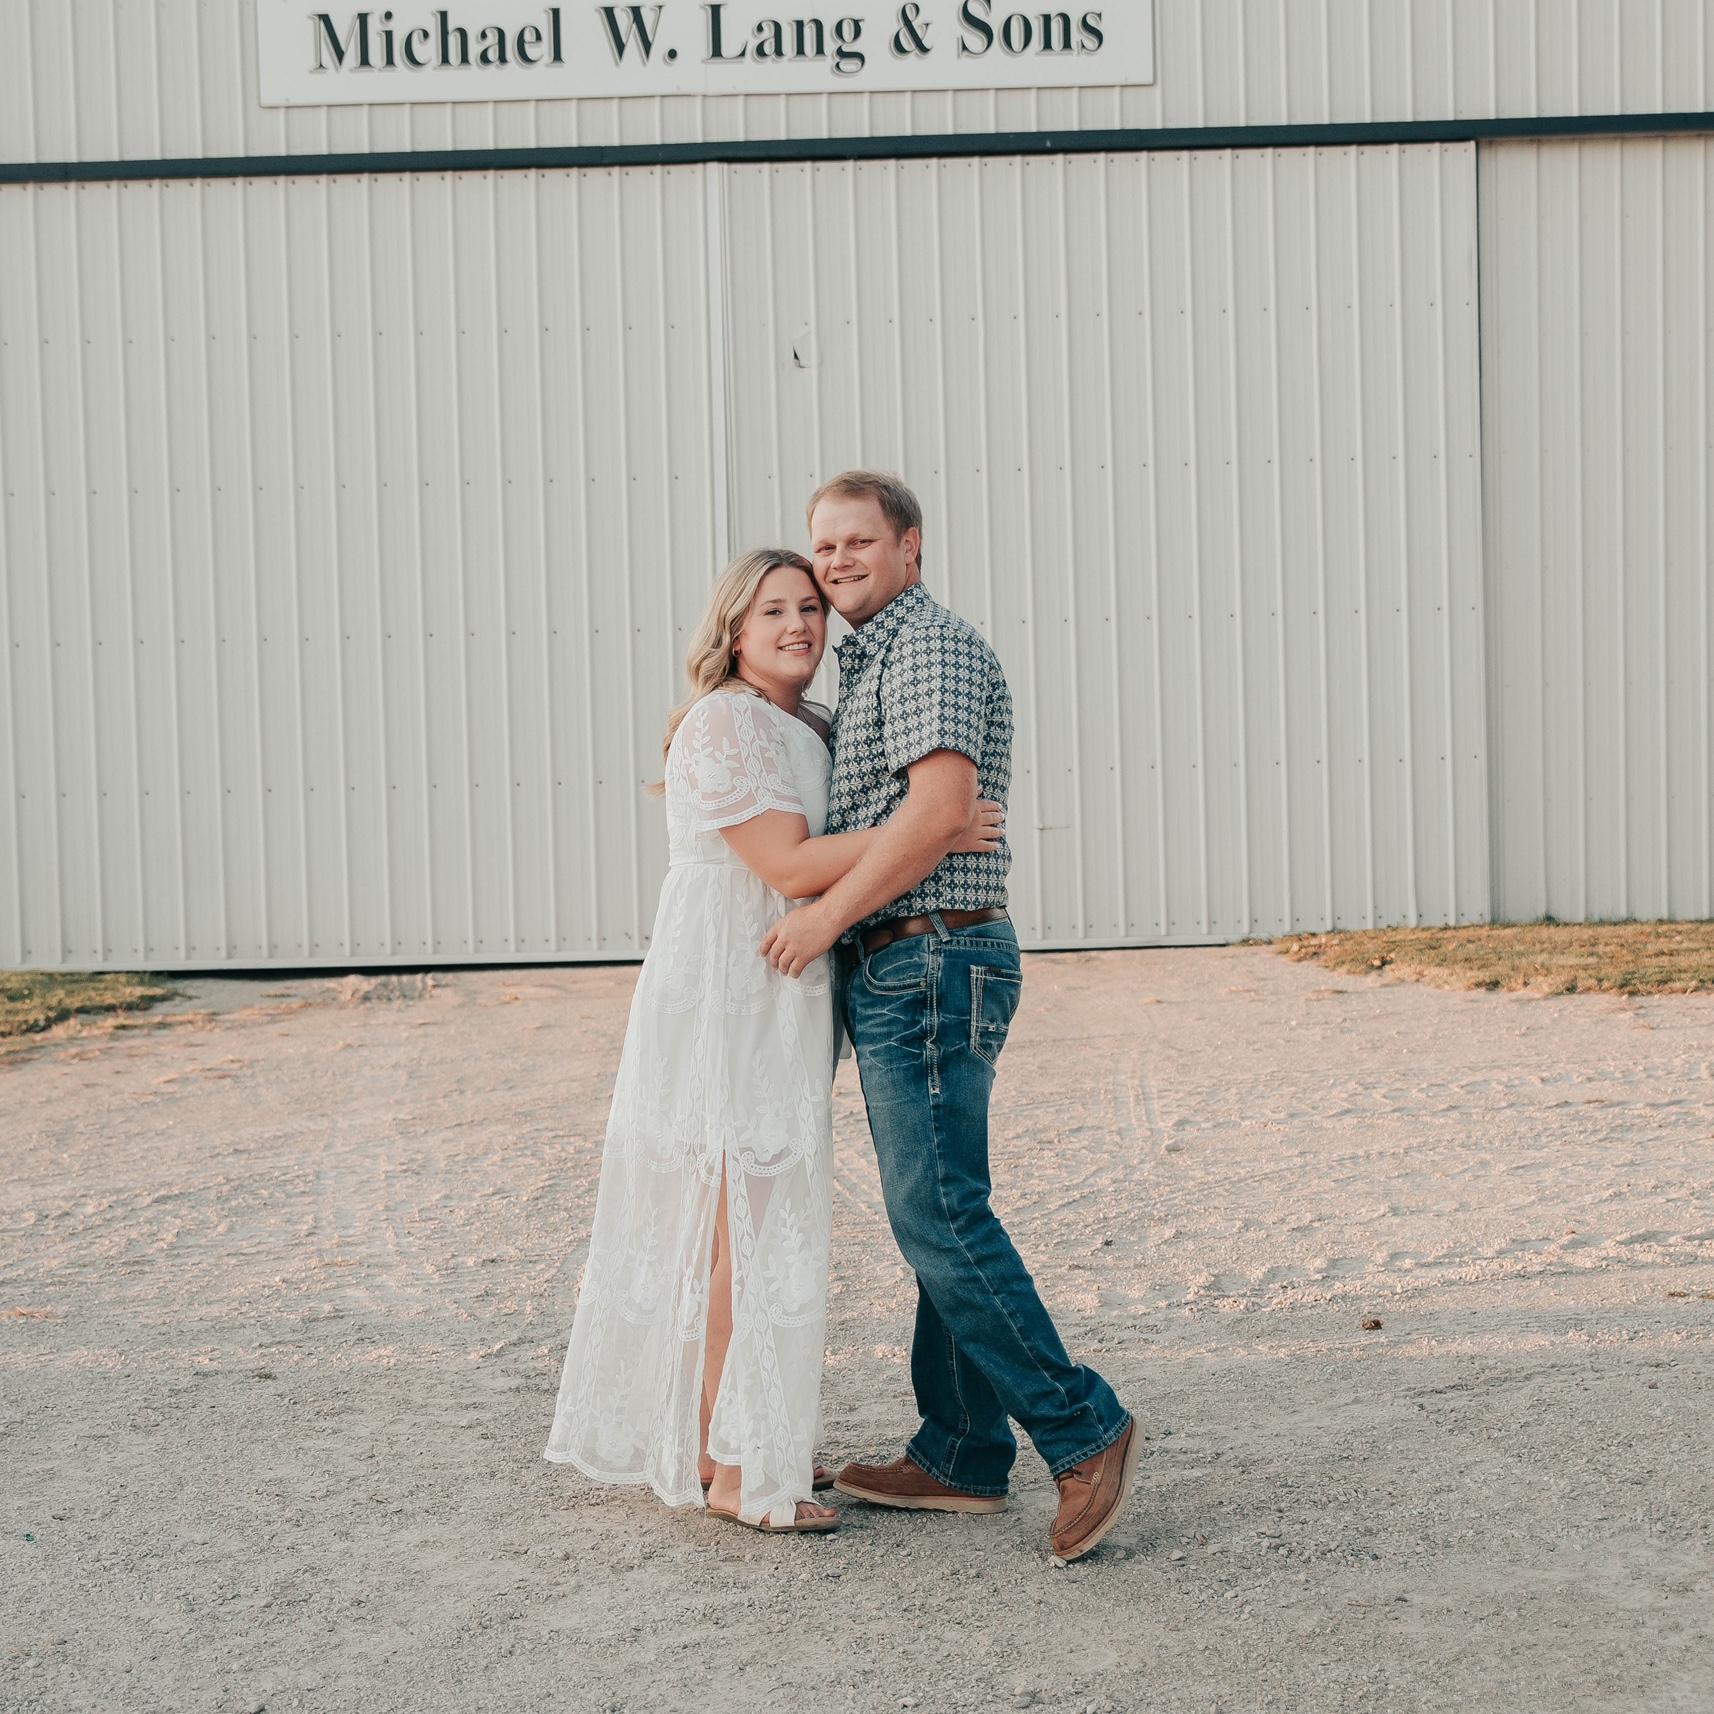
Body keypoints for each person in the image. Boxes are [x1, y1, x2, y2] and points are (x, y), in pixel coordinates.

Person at [544, 547, 1003, 1534]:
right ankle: (734, 1467)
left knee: (755, 1224)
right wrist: (936, 828)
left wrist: (926, 827)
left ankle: (731, 1445)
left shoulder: (813, 725)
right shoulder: (724, 722)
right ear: (734, 632)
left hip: (784, 988)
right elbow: (788, 865)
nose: (799, 624)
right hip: (729, 990)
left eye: (809, 609)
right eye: (773, 611)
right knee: (742, 1227)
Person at [761, 472, 1139, 1563]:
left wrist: (822, 916)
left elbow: (933, 814)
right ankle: (962, 1449)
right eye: (824, 545)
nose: (837, 562)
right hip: (913, 959)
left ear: (910, 546)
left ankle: (1083, 1428)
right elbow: (912, 813)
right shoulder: (871, 657)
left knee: (938, 1215)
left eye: (858, 541)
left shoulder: (926, 647)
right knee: (946, 1205)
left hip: (927, 957)